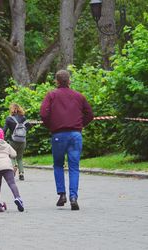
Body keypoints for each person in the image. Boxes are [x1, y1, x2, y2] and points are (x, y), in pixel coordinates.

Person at [40, 69, 93, 211]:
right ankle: (74, 197)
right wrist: (80, 125)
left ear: (56, 81)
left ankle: (62, 194)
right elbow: (90, 114)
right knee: (74, 167)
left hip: (58, 134)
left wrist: (51, 125)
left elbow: (43, 113)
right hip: (75, 135)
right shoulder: (79, 96)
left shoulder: (51, 95)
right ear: (69, 81)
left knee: (58, 165)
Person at [3, 103, 32, 181]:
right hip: (22, 140)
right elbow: (29, 126)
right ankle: (21, 173)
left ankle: (14, 166)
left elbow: (4, 130)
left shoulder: (9, 119)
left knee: (12, 156)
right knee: (20, 158)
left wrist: (3, 138)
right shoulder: (23, 118)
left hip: (13, 140)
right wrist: (24, 132)